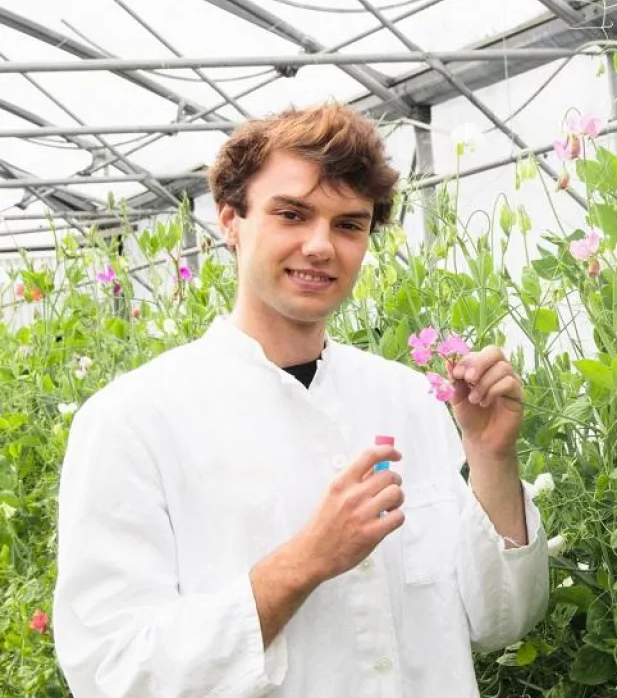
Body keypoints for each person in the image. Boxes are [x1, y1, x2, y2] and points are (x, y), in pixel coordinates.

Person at [51, 103, 549, 697]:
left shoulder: (408, 398)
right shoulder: (133, 421)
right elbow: (114, 672)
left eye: (348, 224)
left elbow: (500, 621)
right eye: (292, 214)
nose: (320, 246)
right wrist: (307, 560)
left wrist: (492, 458)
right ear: (230, 219)